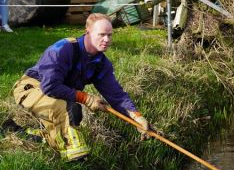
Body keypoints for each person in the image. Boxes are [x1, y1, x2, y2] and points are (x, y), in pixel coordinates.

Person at [12, 13, 149, 161]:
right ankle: (78, 161)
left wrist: (137, 117)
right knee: (71, 110)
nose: (107, 40)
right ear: (88, 32)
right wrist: (86, 99)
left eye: (110, 35)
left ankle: (18, 132)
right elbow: (50, 86)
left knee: (57, 141)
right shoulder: (63, 49)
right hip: (32, 89)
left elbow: (116, 95)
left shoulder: (101, 63)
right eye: (101, 35)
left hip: (56, 96)